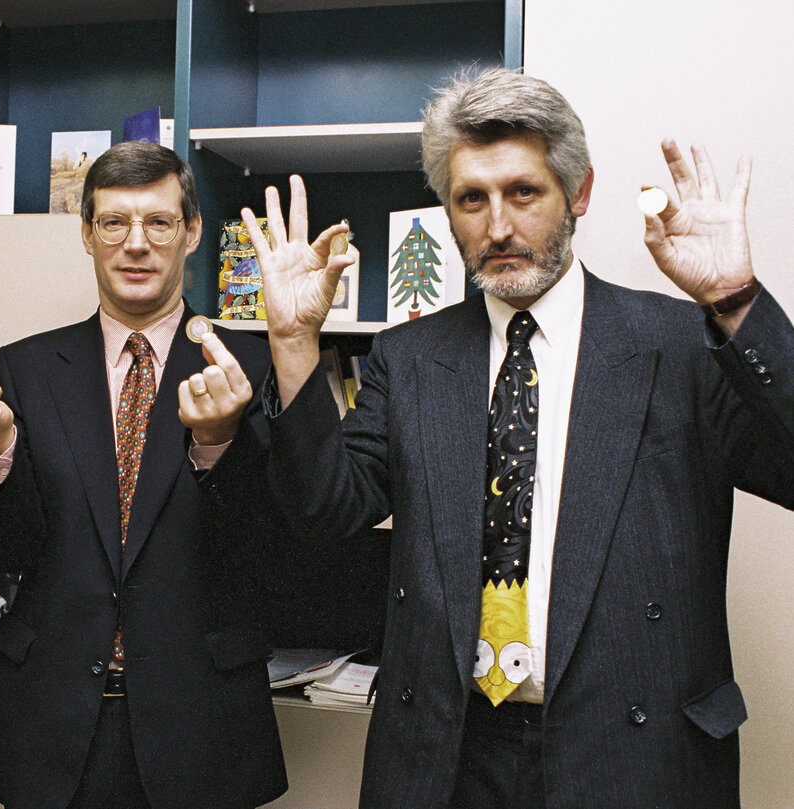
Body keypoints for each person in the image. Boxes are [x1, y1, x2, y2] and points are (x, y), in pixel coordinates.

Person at [247, 67, 794, 808]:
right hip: (448, 753)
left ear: (580, 193)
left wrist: (737, 304)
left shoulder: (679, 345)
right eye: (471, 198)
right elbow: (322, 511)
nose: (497, 226)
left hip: (633, 752)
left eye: (523, 192)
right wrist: (291, 342)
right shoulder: (410, 357)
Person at [0, 141, 288, 809]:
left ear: (192, 232)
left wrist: (217, 443)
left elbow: (268, 549)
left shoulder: (253, 366)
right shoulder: (28, 367)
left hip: (198, 722)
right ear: (87, 235)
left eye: (158, 222)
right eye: (114, 222)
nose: (136, 243)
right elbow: (8, 549)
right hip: (50, 721)